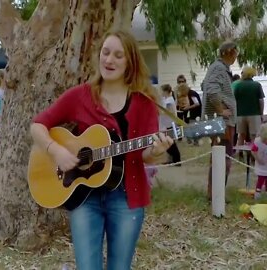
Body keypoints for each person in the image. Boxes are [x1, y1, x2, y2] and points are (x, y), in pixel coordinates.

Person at [30, 29, 173, 269]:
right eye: (106, 53)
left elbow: (146, 155)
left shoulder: (144, 102)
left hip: (127, 197)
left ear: (130, 62)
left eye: (118, 55)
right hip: (84, 197)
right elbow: (38, 125)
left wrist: (157, 151)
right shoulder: (80, 95)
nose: (109, 60)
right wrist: (56, 151)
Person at [201, 41, 238, 201]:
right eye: (236, 52)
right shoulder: (218, 68)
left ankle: (215, 192)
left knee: (220, 155)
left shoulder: (218, 68)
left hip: (220, 121)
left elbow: (204, 85)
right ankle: (216, 194)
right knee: (223, 155)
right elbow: (211, 90)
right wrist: (220, 110)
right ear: (229, 52)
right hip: (220, 122)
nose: (237, 56)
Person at [233, 66, 264, 147]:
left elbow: (234, 100)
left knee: (241, 136)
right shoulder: (257, 85)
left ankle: (239, 153)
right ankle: (254, 156)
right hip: (254, 114)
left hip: (240, 115)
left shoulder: (238, 86)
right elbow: (261, 100)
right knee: (254, 136)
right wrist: (261, 114)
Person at [160, 84, 181, 165]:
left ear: (165, 91)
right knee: (168, 142)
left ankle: (177, 160)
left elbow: (168, 111)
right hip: (167, 124)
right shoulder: (167, 99)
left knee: (170, 143)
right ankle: (173, 159)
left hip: (170, 124)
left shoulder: (169, 100)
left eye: (162, 91)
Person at [251, 123, 267, 200]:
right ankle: (257, 193)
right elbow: (253, 151)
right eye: (265, 140)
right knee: (261, 178)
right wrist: (258, 158)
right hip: (261, 166)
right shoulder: (258, 142)